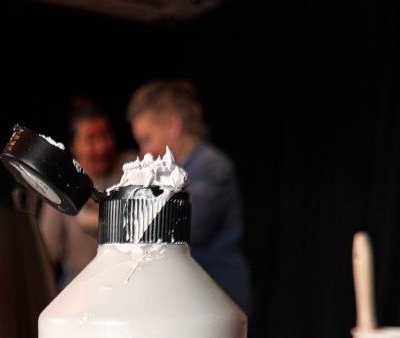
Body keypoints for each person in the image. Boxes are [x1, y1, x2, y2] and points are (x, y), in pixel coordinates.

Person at [126, 78, 253, 317]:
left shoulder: (213, 169)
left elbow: (178, 227)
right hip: (192, 299)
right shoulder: (173, 173)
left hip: (219, 300)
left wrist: (108, 218)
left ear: (173, 125)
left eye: (146, 139)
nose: (143, 152)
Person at [38, 97, 136, 288]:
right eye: (91, 140)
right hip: (81, 285)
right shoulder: (63, 184)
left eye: (106, 136)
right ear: (74, 147)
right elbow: (46, 252)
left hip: (129, 279)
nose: (101, 147)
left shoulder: (133, 168)